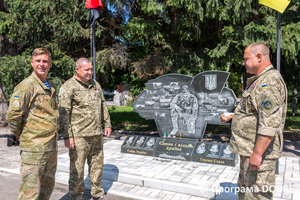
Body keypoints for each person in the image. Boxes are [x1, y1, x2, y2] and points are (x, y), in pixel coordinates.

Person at [221, 43, 287, 199]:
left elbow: (269, 123)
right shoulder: (259, 81)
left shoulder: (268, 82)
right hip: (248, 150)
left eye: (245, 59)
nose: (243, 63)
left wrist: (257, 154)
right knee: (245, 194)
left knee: (257, 195)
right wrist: (234, 116)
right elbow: (255, 111)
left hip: (259, 154)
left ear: (259, 57)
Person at [6, 48, 58, 200]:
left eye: (45, 61)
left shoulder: (52, 86)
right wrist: (20, 134)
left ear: (50, 64)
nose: (42, 64)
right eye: (38, 61)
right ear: (32, 63)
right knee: (30, 192)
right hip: (33, 149)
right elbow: (13, 115)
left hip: (51, 147)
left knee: (47, 188)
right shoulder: (26, 86)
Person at [59, 57, 112, 200]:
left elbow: (103, 104)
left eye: (91, 69)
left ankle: (97, 193)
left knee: (97, 166)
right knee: (77, 169)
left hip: (96, 134)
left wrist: (107, 123)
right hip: (79, 136)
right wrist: (66, 136)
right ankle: (76, 196)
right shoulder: (69, 87)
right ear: (77, 70)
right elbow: (64, 114)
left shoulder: (95, 85)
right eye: (86, 69)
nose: (90, 72)